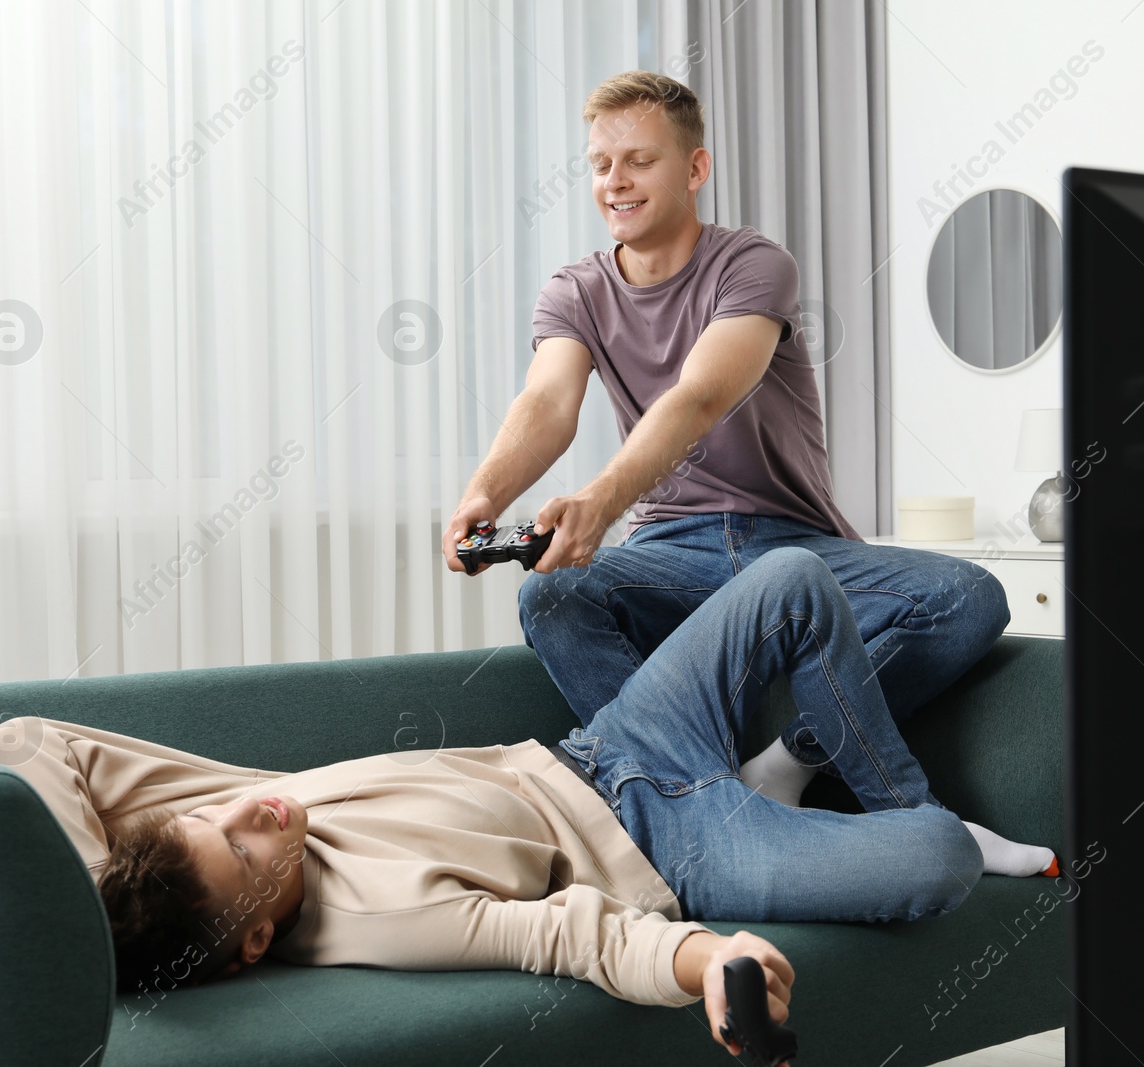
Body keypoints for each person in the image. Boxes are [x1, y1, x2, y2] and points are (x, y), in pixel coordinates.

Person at [0, 549, 1014, 1057]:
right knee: (934, 859)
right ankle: (854, 804)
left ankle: (797, 762)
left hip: (611, 741)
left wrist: (86, 895)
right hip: (679, 847)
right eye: (244, 845)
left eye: (211, 814)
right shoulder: (385, 917)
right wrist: (710, 956)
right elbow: (571, 938)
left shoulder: (196, 830)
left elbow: (29, 739)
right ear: (255, 937)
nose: (251, 806)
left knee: (789, 574)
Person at [441, 71, 1051, 878]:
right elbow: (547, 402)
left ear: (695, 169)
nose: (613, 182)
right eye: (599, 164)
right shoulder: (577, 290)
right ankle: (703, 797)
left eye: (637, 160)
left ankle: (785, 763)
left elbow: (698, 396)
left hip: (792, 545)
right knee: (550, 594)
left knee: (968, 597)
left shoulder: (753, 265)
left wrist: (598, 498)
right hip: (670, 549)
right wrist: (485, 493)